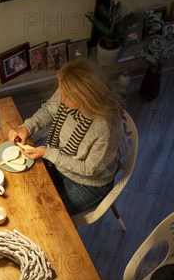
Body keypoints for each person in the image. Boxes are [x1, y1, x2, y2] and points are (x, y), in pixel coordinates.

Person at [8, 57, 124, 216]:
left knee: (46, 214)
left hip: (88, 183)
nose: (61, 98)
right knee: (23, 190)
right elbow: (49, 110)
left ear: (86, 99)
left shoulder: (104, 128)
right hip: (59, 160)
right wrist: (25, 127)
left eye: (66, 96)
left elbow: (88, 169)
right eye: (61, 90)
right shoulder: (68, 90)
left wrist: (48, 153)